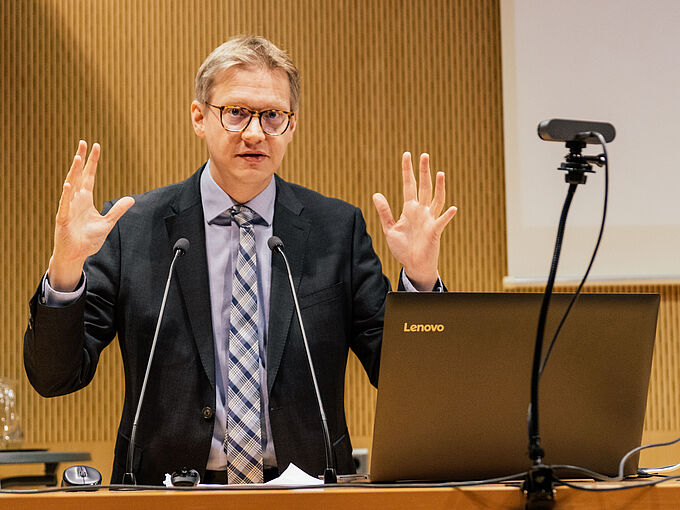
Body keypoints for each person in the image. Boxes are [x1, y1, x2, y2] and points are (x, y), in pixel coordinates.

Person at [23, 35, 457, 485]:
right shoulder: (135, 229)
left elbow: (413, 386)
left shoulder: (336, 229)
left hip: (309, 492)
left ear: (291, 126)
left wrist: (421, 280)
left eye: (272, 115)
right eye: (236, 112)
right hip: (165, 494)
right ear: (199, 117)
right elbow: (55, 376)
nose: (254, 133)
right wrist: (67, 265)